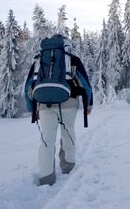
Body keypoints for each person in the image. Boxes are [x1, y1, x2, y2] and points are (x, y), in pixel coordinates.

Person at [24, 39, 93, 186]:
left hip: (44, 104)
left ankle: (46, 176)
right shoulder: (71, 59)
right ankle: (68, 167)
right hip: (69, 102)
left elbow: (28, 86)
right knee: (68, 132)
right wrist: (89, 104)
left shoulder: (39, 60)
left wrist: (32, 108)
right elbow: (85, 83)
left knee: (46, 139)